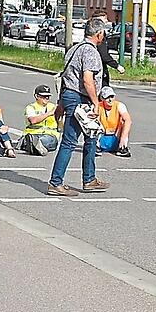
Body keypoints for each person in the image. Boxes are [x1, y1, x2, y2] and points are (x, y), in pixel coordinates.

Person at [47, 17, 110, 196]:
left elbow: (66, 76)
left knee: (91, 137)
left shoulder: (74, 48)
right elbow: (87, 80)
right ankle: (55, 182)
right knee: (69, 141)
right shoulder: (90, 52)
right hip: (80, 99)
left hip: (70, 95)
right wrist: (96, 103)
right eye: (103, 33)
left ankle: (89, 179)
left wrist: (61, 103)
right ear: (99, 34)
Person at [20, 84, 60, 156]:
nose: (46, 98)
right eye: (44, 96)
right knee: (32, 139)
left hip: (49, 135)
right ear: (36, 96)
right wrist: (49, 113)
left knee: (46, 140)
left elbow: (61, 124)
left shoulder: (53, 107)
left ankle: (34, 146)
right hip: (33, 134)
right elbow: (33, 120)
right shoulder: (31, 107)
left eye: (48, 96)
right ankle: (34, 146)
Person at [91, 10, 124, 88]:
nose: (107, 21)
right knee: (104, 92)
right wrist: (117, 66)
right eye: (105, 19)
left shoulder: (91, 31)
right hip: (99, 68)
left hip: (95, 67)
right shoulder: (98, 34)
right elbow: (104, 55)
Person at [97, 86, 133, 157]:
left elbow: (128, 120)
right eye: (107, 97)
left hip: (115, 136)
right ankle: (96, 147)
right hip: (101, 136)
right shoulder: (98, 106)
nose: (110, 100)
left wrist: (123, 137)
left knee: (125, 122)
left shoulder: (119, 105)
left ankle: (122, 148)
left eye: (112, 96)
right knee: (92, 122)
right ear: (102, 98)